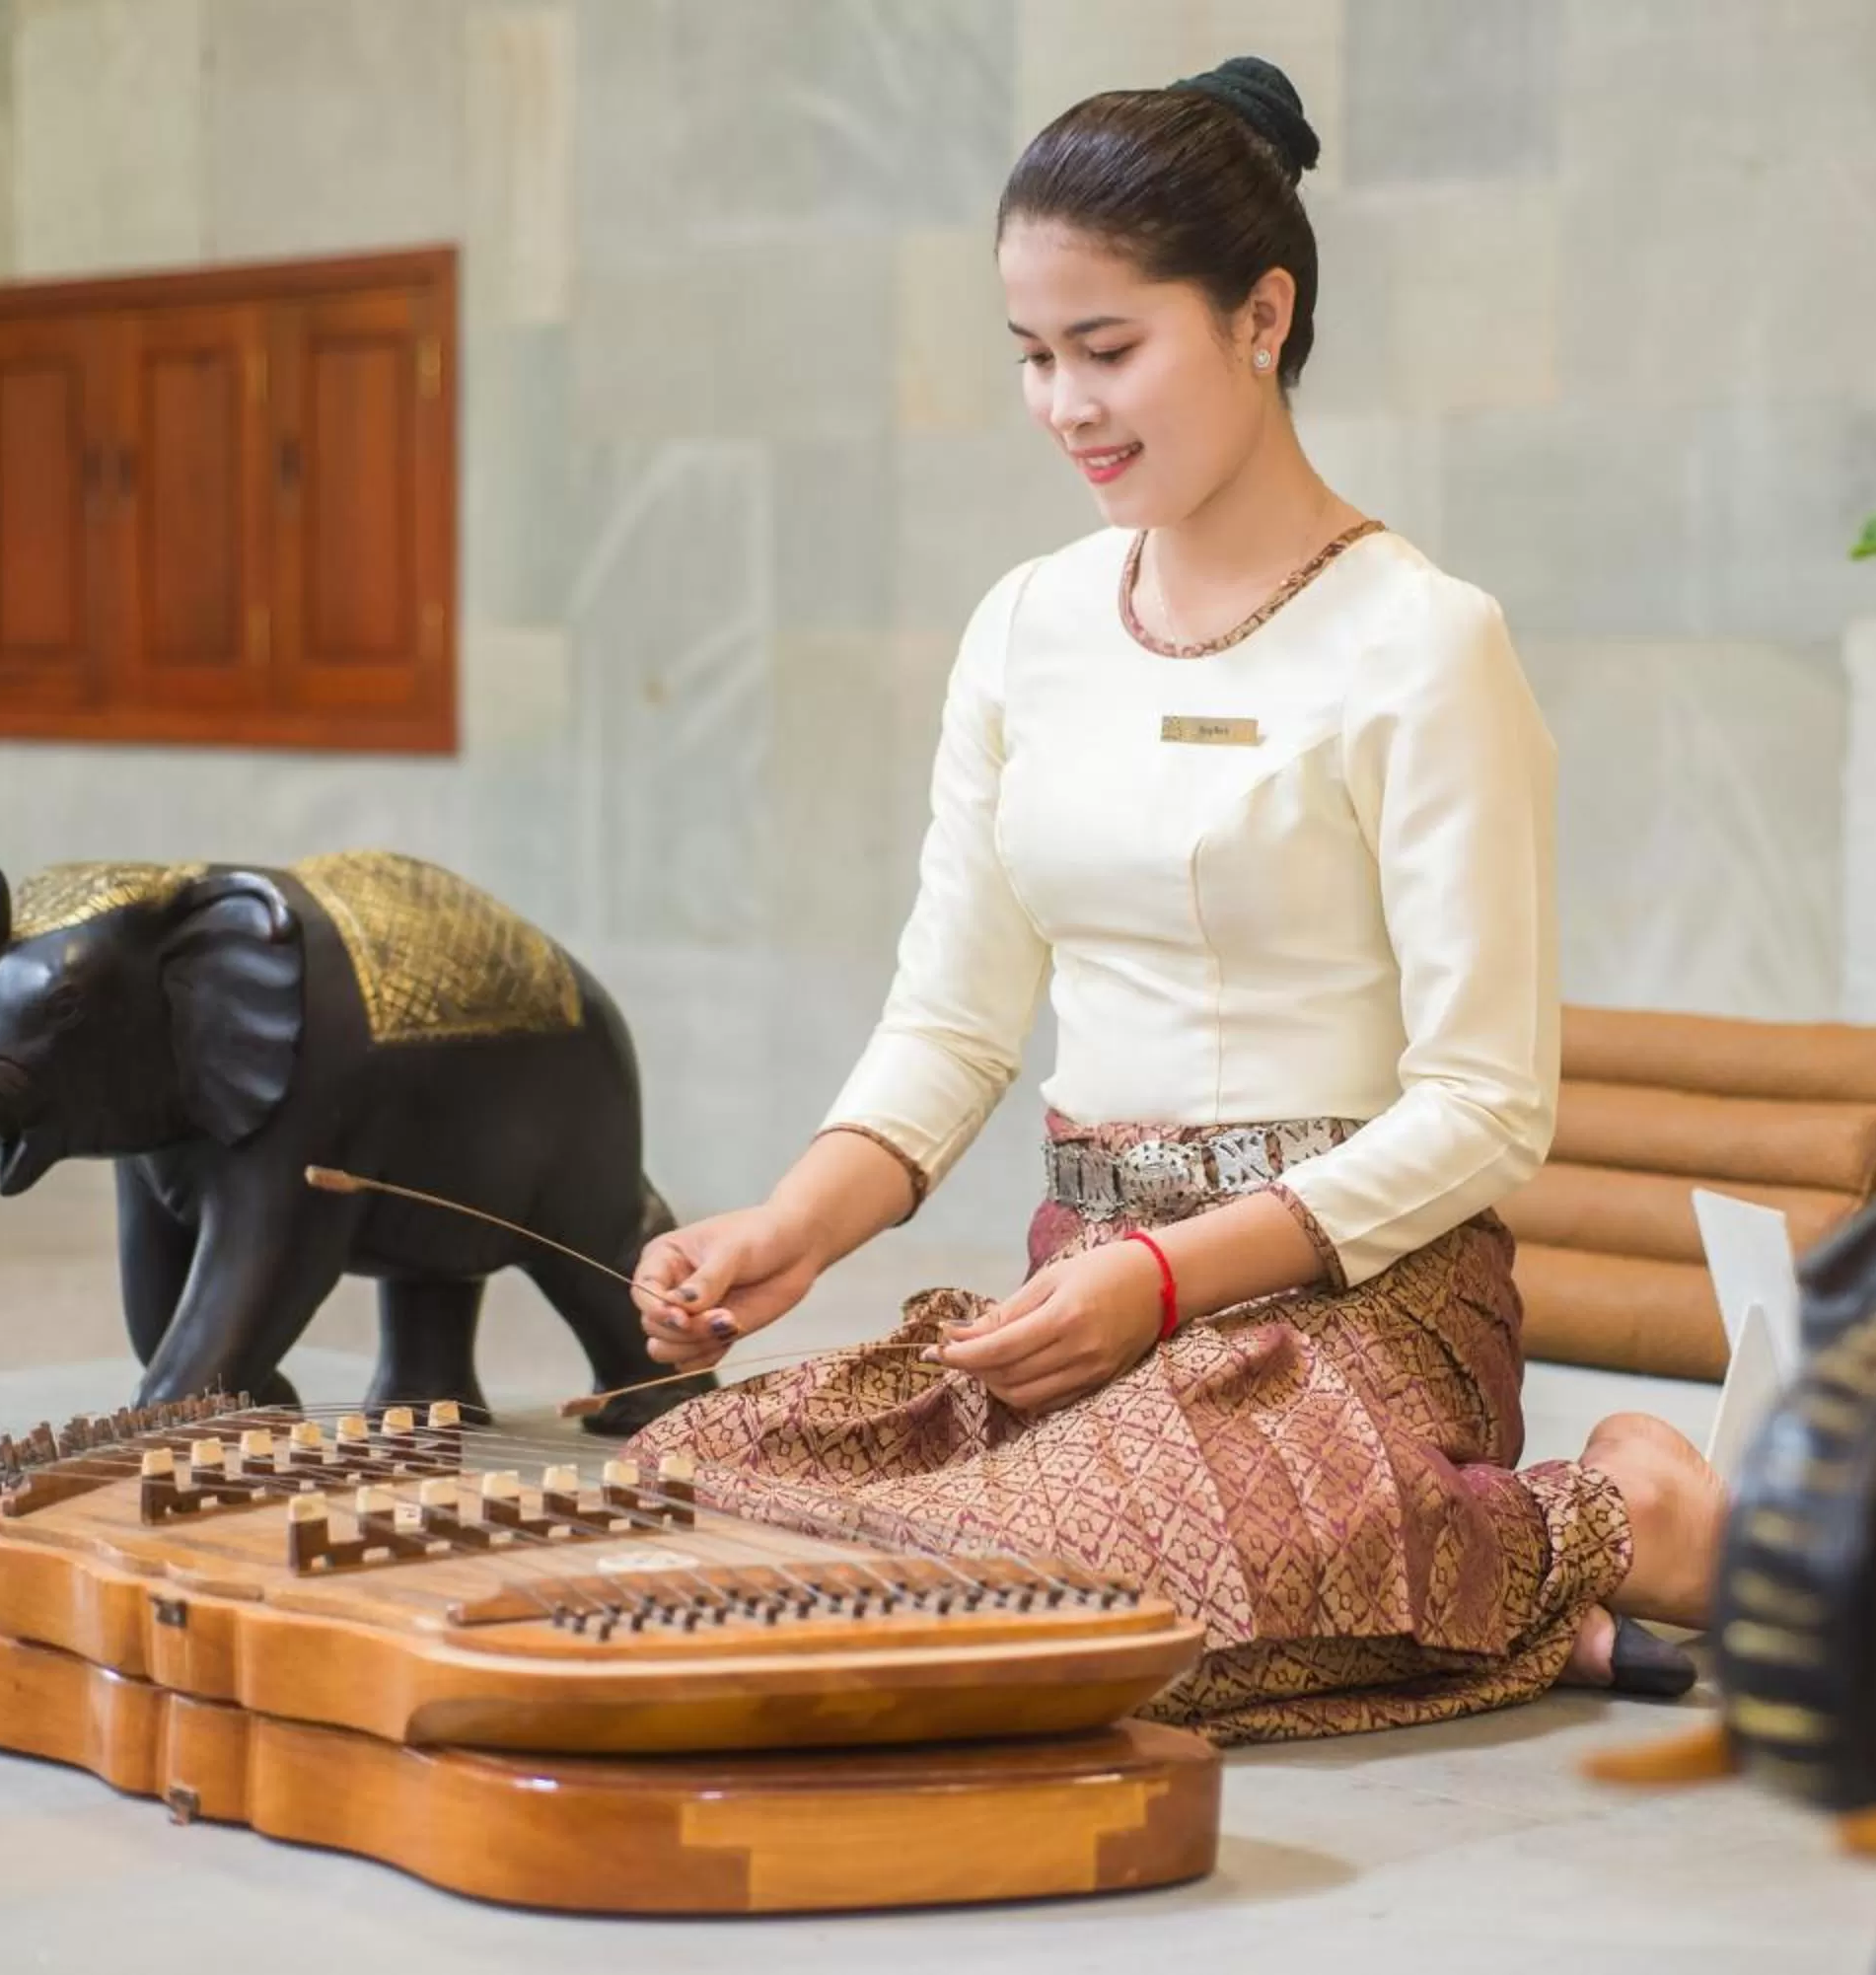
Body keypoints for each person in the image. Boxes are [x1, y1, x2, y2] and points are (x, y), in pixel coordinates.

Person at [624, 55, 1725, 1744]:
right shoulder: (1025, 628)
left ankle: (1608, 1519)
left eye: (1109, 347)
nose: (1067, 405)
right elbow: (953, 1015)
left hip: (1357, 1314)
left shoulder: (1423, 644)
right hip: (1082, 1307)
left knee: (1036, 1607)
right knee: (688, 1483)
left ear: (1262, 314)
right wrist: (792, 1221)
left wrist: (1169, 1273)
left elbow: (1490, 1108)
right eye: (1033, 358)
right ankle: (1470, 1607)